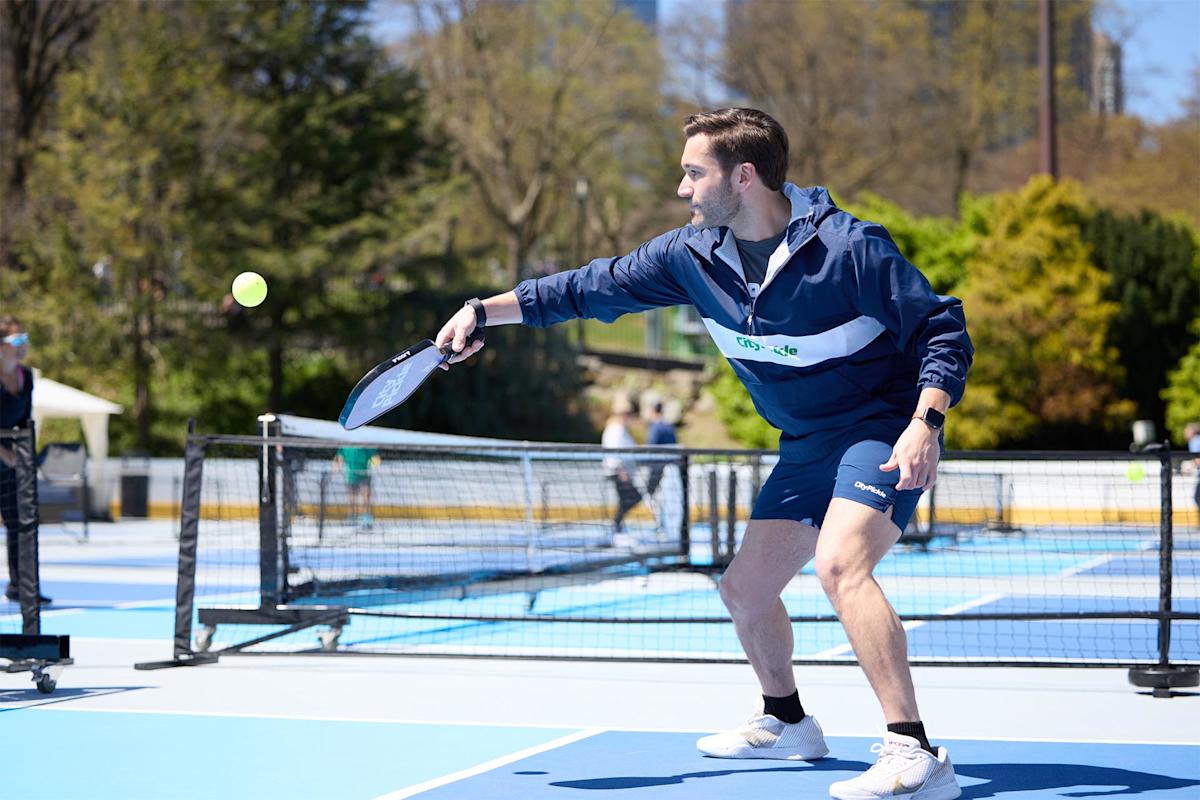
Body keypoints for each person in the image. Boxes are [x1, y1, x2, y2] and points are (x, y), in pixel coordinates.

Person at [434, 108, 972, 800]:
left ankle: (916, 752)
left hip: (881, 428)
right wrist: (483, 310)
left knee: (841, 565)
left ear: (742, 177)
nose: (682, 187)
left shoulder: (849, 250)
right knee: (743, 590)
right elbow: (588, 288)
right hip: (806, 441)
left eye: (694, 172)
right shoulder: (689, 259)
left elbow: (941, 327)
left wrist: (925, 422)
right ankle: (788, 720)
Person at [0, 316, 51, 605]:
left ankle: (23, 586)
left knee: (21, 523)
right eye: (17, 340)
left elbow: (24, 423)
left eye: (25, 339)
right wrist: (4, 452)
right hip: (3, 456)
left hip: (10, 464)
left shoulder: (26, 377)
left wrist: (23, 455)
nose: (23, 346)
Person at [602, 395, 642, 545]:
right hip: (618, 472)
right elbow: (614, 452)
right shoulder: (615, 429)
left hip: (622, 471)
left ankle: (617, 526)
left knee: (627, 499)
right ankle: (615, 525)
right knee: (632, 497)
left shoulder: (621, 429)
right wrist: (621, 471)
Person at [332, 446, 379, 529]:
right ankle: (351, 517)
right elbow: (340, 458)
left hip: (365, 474)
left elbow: (375, 457)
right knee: (351, 497)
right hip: (351, 475)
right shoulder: (345, 446)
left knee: (366, 497)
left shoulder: (366, 444)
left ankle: (367, 518)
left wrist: (375, 466)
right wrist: (336, 468)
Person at [644, 400, 678, 499]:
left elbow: (651, 444)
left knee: (650, 493)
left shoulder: (655, 427)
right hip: (671, 466)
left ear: (653, 411)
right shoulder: (669, 426)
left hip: (657, 466)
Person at [1186, 422, 1200, 523]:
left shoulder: (1194, 441)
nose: (1185, 433)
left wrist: (1189, 467)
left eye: (1186, 430)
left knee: (1197, 498)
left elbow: (1198, 459)